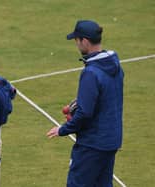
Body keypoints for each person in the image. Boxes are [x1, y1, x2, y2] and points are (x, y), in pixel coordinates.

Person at [47, 20, 124, 187]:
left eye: (77, 40)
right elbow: (107, 98)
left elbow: (85, 113)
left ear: (85, 41)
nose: (76, 44)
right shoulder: (115, 65)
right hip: (111, 141)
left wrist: (63, 130)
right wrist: (81, 102)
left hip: (92, 144)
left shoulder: (91, 72)